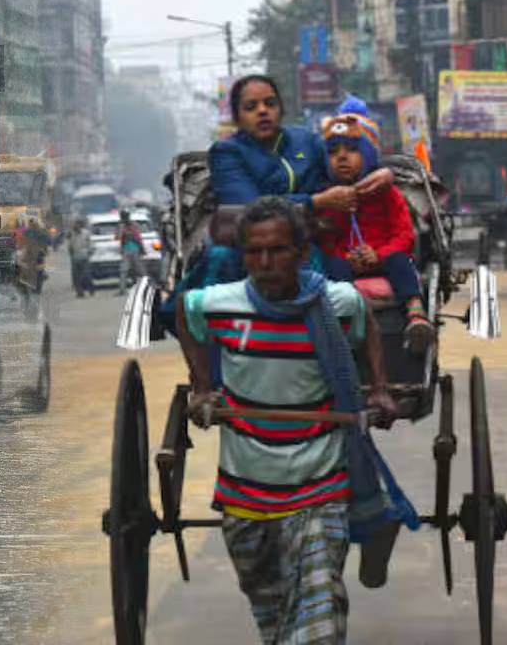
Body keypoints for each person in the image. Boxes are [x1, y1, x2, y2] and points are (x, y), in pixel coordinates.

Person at [176, 197, 397, 645]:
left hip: (320, 486)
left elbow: (367, 319)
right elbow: (185, 310)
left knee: (320, 615)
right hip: (244, 491)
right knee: (272, 613)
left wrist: (378, 387)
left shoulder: (333, 302)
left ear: (301, 253)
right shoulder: (221, 304)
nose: (265, 262)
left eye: (277, 250)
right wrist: (201, 384)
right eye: (254, 252)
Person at [316, 103, 436, 354]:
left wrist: (378, 254)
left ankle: (415, 313)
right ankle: (345, 324)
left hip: (385, 258)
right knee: (330, 265)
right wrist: (346, 256)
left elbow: (404, 235)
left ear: (368, 154)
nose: (341, 156)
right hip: (347, 264)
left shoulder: (388, 194)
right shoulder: (327, 197)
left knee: (401, 260)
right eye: (333, 151)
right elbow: (325, 238)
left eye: (351, 150)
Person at [209, 76, 394, 211]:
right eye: (251, 107)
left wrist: (383, 172)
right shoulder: (226, 152)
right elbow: (249, 208)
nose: (263, 111)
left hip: (318, 238)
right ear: (237, 118)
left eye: (270, 103)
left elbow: (347, 164)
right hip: (258, 247)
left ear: (281, 110)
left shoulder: (306, 140)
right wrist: (315, 202)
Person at [116, 210, 146, 294]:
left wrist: (141, 248)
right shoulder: (123, 225)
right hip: (129, 249)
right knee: (126, 270)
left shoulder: (132, 224)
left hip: (131, 249)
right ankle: (123, 289)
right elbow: (118, 237)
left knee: (137, 270)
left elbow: (137, 237)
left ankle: (145, 287)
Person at [67, 217, 94, 297]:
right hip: (75, 258)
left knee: (86, 275)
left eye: (77, 224)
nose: (75, 226)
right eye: (74, 225)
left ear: (80, 225)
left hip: (84, 257)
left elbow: (90, 244)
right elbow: (70, 246)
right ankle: (80, 292)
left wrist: (89, 252)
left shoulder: (86, 233)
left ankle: (91, 289)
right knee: (76, 277)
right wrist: (71, 256)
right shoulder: (71, 234)